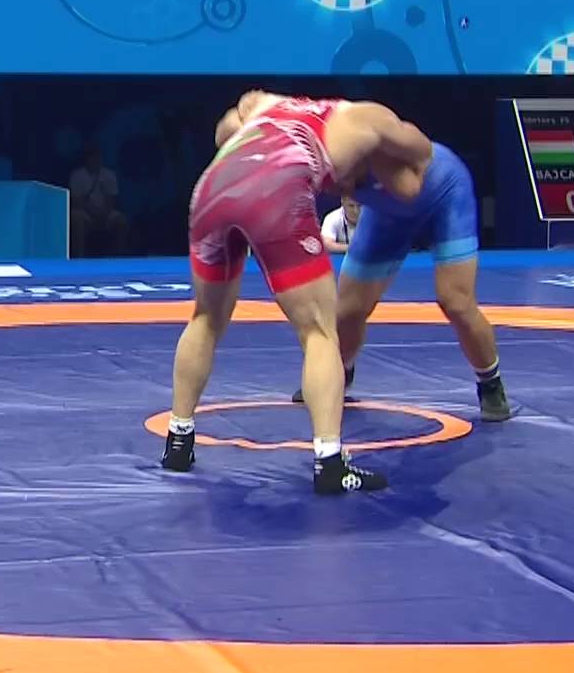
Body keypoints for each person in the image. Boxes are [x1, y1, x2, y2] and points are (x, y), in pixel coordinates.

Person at [164, 90, 434, 495]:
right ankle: (330, 463)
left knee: (205, 317)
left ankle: (178, 440)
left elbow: (223, 134)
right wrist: (378, 172)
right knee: (320, 332)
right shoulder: (368, 118)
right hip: (278, 186)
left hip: (212, 189)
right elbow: (421, 154)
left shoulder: (264, 104)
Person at [292, 141, 510, 423]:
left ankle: (490, 382)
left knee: (456, 302)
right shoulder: (315, 161)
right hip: (387, 210)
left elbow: (413, 164)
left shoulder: (371, 141)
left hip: (444, 194)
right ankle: (338, 372)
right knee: (348, 309)